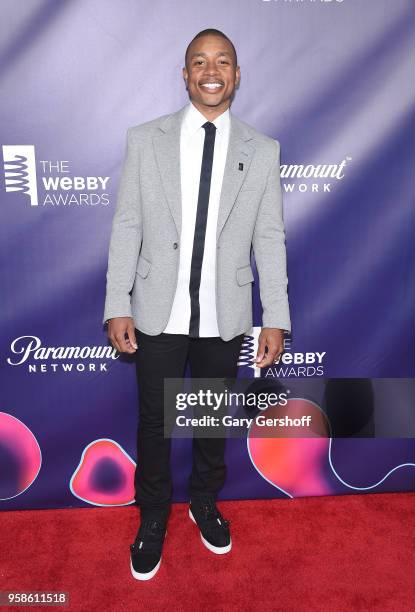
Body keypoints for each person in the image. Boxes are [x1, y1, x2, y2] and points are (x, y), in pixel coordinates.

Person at [103, 28, 291, 580]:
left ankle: (205, 502)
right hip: (157, 309)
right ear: (185, 74)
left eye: (223, 61)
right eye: (200, 61)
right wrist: (118, 301)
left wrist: (275, 317)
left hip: (222, 314)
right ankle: (154, 517)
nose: (212, 70)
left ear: (236, 74)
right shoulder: (145, 139)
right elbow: (128, 224)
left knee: (210, 419)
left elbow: (269, 238)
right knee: (156, 424)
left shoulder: (263, 150)